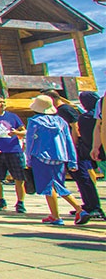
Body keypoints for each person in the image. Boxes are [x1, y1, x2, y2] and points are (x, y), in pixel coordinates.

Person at [25, 95, 89, 226]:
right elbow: (68, 141)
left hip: (40, 157)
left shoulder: (34, 121)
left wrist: (28, 159)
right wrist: (72, 160)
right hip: (59, 157)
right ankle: (75, 210)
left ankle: (60, 215)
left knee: (47, 187)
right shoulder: (61, 121)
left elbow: (30, 141)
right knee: (58, 185)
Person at [74, 92, 103, 220]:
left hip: (94, 152)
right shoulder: (98, 113)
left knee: (84, 179)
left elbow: (85, 135)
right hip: (99, 150)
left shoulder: (85, 117)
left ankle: (94, 206)